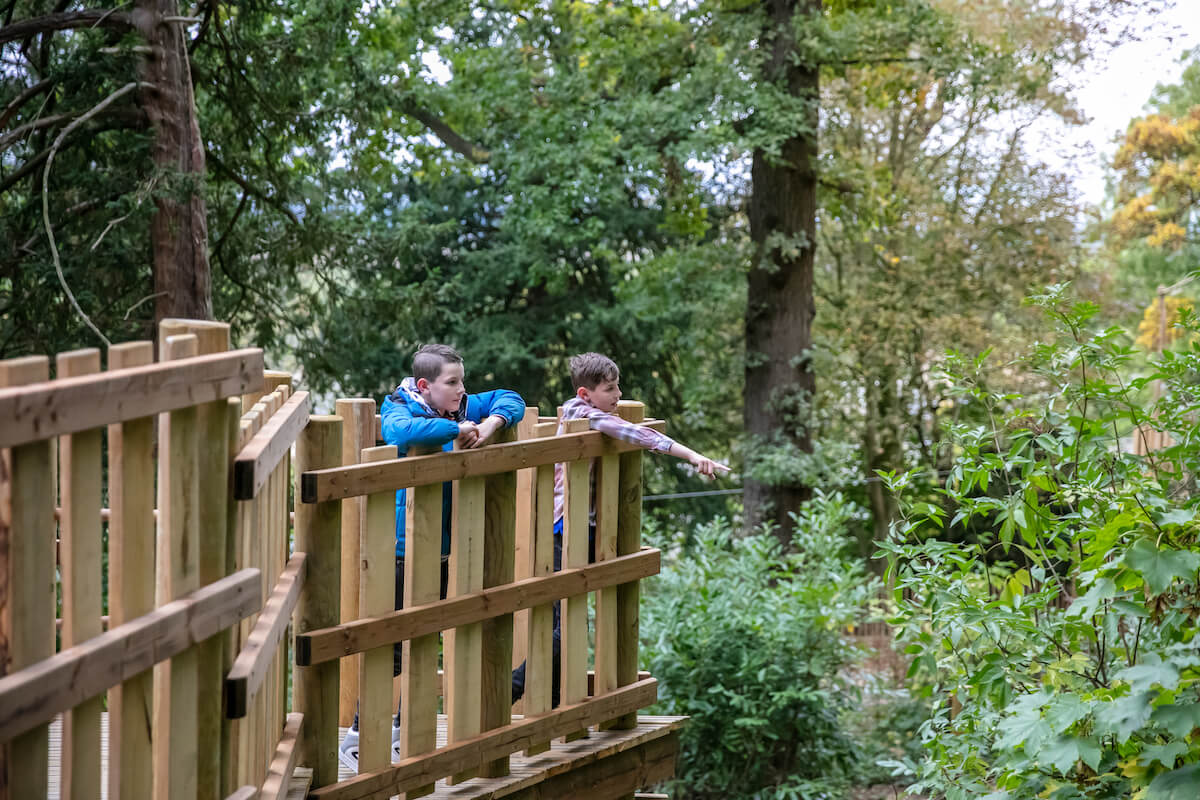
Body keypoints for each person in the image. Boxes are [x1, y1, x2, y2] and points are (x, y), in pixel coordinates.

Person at [339, 343, 525, 772]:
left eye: (462, 381)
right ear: (425, 386)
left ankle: (405, 732)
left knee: (427, 642)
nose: (462, 391)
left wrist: (493, 423)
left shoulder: (457, 406)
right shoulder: (401, 407)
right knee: (395, 646)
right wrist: (458, 432)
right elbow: (402, 433)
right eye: (453, 383)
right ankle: (357, 737)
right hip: (402, 552)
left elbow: (510, 397)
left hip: (438, 551)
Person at [510, 351, 728, 706]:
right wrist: (692, 456)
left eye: (618, 386)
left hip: (577, 526)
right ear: (585, 394)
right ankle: (516, 689)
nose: (618, 395)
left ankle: (548, 699)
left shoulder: (577, 409)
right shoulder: (586, 415)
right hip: (564, 529)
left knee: (563, 623)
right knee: (564, 626)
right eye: (610, 388)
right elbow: (633, 432)